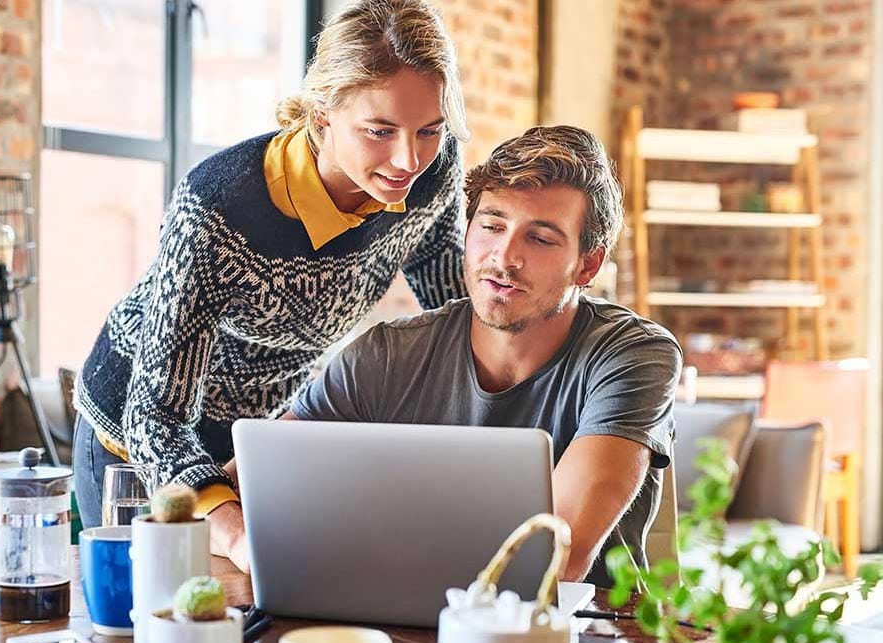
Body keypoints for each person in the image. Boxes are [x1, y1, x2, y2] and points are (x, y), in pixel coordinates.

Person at [71, 0, 471, 570]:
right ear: (322, 116)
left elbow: (450, 296)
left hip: (258, 441)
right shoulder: (218, 207)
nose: (408, 158)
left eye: (428, 129)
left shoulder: (433, 170)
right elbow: (156, 417)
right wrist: (236, 536)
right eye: (379, 131)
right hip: (138, 442)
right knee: (163, 615)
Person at [227, 126, 682, 586]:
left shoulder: (634, 356)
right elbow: (236, 485)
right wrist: (239, 543)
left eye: (540, 239)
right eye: (492, 226)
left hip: (578, 624)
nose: (504, 257)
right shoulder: (387, 355)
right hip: (386, 611)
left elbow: (555, 560)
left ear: (587, 265)